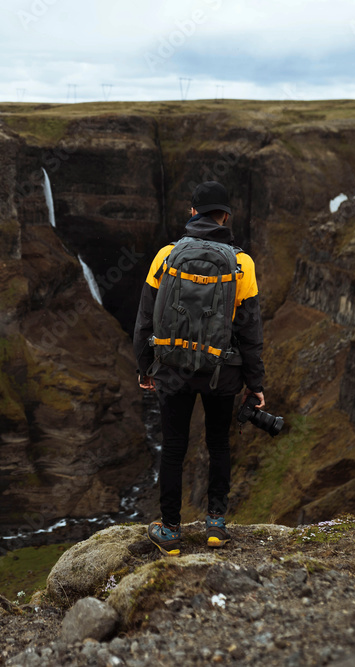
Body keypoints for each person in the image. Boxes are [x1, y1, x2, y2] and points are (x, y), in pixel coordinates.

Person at [133, 180, 265, 556]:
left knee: (173, 445)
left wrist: (146, 367)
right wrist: (255, 383)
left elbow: (145, 319)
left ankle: (170, 531)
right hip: (222, 373)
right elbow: (250, 330)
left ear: (192, 213)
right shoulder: (243, 264)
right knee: (218, 443)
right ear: (225, 216)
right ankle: (215, 527)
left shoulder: (165, 256)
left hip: (173, 369)